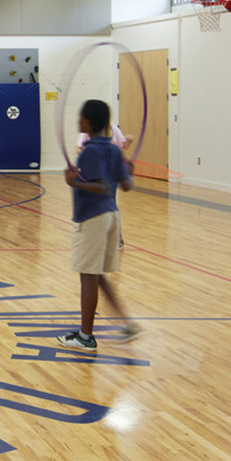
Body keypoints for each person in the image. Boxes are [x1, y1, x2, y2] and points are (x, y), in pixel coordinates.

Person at [55, 99, 142, 351]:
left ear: (89, 122)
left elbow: (101, 186)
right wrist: (130, 171)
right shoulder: (114, 150)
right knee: (97, 276)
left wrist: (73, 182)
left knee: (88, 277)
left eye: (81, 117)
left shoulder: (90, 150)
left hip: (93, 217)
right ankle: (127, 323)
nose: (78, 121)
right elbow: (125, 186)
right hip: (112, 215)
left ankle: (85, 336)